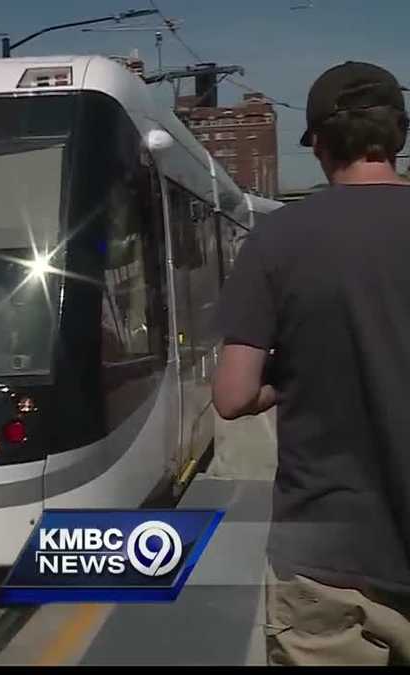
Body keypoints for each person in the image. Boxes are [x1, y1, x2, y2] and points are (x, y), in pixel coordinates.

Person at [213, 61, 410, 666]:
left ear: (320, 145)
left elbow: (232, 396)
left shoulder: (278, 239)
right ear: (399, 133)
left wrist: (283, 382)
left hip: (328, 559)